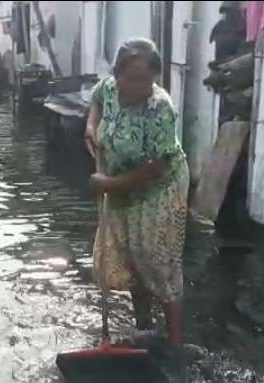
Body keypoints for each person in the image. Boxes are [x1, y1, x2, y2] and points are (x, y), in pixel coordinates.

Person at [85, 37, 190, 347]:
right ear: (118, 76)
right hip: (120, 185)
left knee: (158, 262)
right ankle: (143, 329)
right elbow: (95, 102)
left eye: (146, 79)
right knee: (132, 257)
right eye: (131, 78)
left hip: (159, 189)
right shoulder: (108, 89)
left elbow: (154, 168)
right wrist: (91, 127)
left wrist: (108, 185)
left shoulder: (160, 108)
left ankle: (174, 345)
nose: (139, 86)